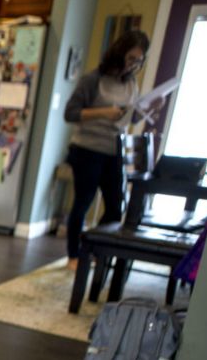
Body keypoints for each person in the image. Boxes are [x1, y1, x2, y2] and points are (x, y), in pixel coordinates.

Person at [63, 29, 161, 270]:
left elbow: (129, 118)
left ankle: (96, 251)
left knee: (116, 206)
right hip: (87, 148)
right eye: (131, 58)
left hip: (115, 149)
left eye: (138, 60)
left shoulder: (130, 84)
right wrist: (103, 112)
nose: (133, 64)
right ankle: (73, 255)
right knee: (83, 203)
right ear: (119, 54)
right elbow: (71, 113)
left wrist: (148, 111)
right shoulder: (93, 79)